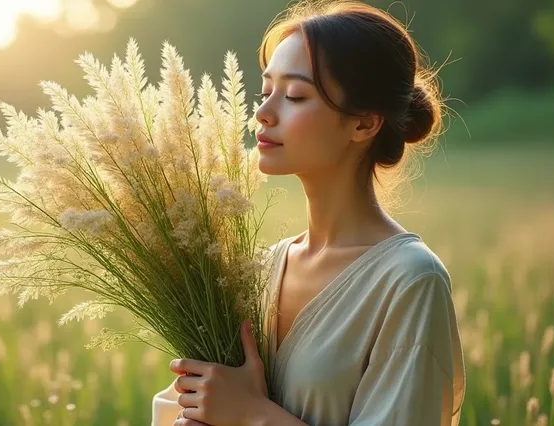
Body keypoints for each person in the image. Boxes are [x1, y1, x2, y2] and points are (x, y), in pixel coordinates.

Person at [151, 0, 466, 425]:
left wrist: (250, 415)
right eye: (266, 93)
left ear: (364, 124)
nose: (262, 113)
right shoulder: (258, 270)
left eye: (296, 95)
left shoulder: (409, 281)